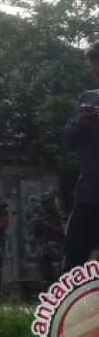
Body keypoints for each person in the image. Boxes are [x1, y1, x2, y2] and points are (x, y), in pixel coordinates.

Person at [64, 42, 99, 270]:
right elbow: (69, 138)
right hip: (89, 194)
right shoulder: (89, 98)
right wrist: (83, 123)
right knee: (73, 262)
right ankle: (69, 305)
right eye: (96, 73)